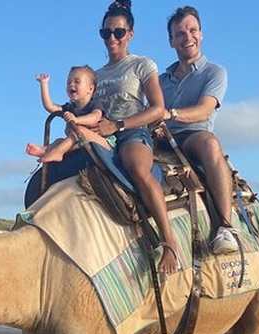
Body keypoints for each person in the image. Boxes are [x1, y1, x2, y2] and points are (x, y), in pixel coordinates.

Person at [80, 0, 180, 274]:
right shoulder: (96, 75)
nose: (112, 38)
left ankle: (169, 241)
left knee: (137, 168)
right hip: (99, 133)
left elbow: (157, 108)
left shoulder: (141, 65)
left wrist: (119, 125)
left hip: (131, 132)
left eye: (118, 32)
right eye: (106, 33)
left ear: (130, 34)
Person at [159, 5, 238, 255]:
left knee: (210, 144)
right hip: (159, 138)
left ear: (201, 34)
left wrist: (170, 115)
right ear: (171, 41)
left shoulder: (214, 72)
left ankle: (225, 228)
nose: (187, 37)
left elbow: (205, 109)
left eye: (192, 30)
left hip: (193, 134)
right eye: (180, 34)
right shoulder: (160, 80)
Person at [25, 67, 107, 163]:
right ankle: (44, 150)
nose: (71, 84)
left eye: (77, 81)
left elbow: (94, 118)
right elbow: (50, 107)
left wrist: (76, 120)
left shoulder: (95, 104)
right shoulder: (70, 108)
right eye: (69, 83)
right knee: (59, 142)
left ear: (90, 88)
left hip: (101, 143)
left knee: (79, 130)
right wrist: (44, 84)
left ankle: (58, 152)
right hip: (80, 143)